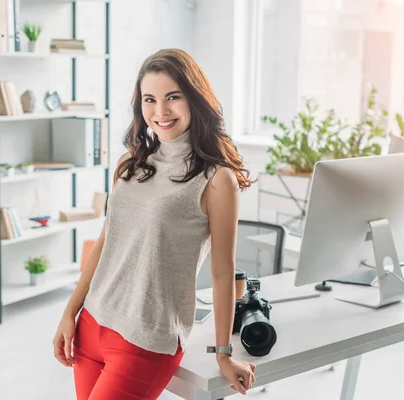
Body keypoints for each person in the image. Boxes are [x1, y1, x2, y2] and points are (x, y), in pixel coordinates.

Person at [52, 48, 257, 399]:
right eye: (150, 100)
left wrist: (224, 355)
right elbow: (106, 241)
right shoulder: (131, 163)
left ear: (194, 98)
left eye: (172, 97)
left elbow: (224, 272)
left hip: (145, 339)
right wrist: (70, 312)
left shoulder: (216, 179)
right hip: (92, 323)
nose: (160, 112)